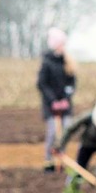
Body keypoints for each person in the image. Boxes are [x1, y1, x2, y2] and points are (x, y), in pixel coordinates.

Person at [37, 29, 77, 171]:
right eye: (61, 44)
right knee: (53, 132)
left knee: (66, 131)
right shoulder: (46, 62)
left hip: (65, 106)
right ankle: (49, 161)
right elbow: (42, 84)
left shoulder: (67, 62)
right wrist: (53, 100)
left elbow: (72, 84)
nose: (63, 47)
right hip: (51, 106)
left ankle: (61, 159)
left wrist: (66, 99)